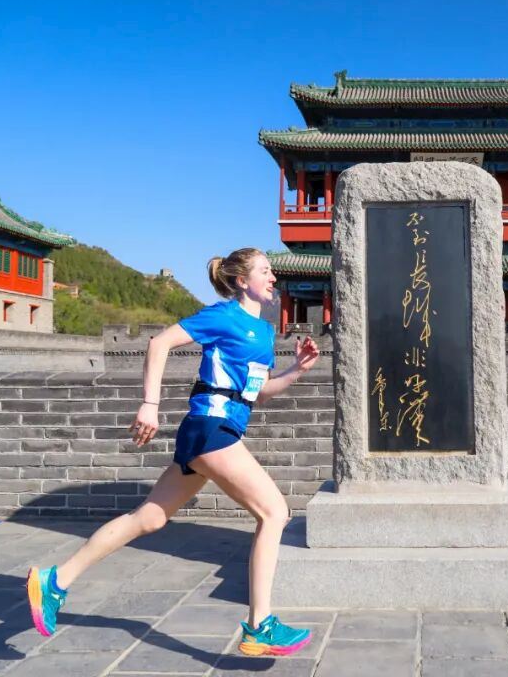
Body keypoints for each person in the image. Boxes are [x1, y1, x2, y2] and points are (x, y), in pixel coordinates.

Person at [26, 247, 321, 657]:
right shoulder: (221, 316)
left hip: (217, 429)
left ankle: (54, 581)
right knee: (274, 512)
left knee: (149, 517)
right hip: (209, 429)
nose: (273, 278)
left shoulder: (265, 333)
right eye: (265, 271)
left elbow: (258, 392)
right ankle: (260, 626)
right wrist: (150, 403)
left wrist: (297, 371)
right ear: (241, 281)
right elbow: (159, 343)